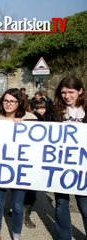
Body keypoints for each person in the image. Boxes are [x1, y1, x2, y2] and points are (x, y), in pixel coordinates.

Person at [0, 88, 37, 240]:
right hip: (0, 169)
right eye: (6, 101)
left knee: (18, 206)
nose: (8, 104)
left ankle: (16, 235)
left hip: (20, 169)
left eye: (12, 101)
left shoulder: (30, 118)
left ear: (19, 103)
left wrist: (24, 125)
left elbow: (35, 147)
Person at [53, 76, 87, 240]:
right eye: (63, 92)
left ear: (80, 91)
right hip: (60, 165)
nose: (67, 96)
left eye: (71, 92)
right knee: (61, 204)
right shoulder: (56, 110)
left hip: (83, 167)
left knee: (85, 205)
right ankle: (63, 237)